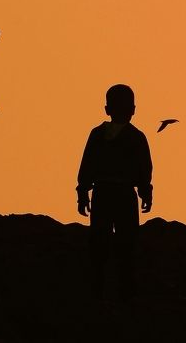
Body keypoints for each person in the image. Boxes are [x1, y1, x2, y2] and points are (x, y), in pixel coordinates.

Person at [76, 83, 153, 299]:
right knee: (125, 243)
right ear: (133, 109)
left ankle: (99, 288)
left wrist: (83, 191)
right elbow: (144, 169)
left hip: (103, 192)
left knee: (101, 241)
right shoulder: (137, 137)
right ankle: (123, 290)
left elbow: (87, 165)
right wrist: (145, 191)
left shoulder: (97, 134)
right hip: (123, 194)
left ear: (107, 109)